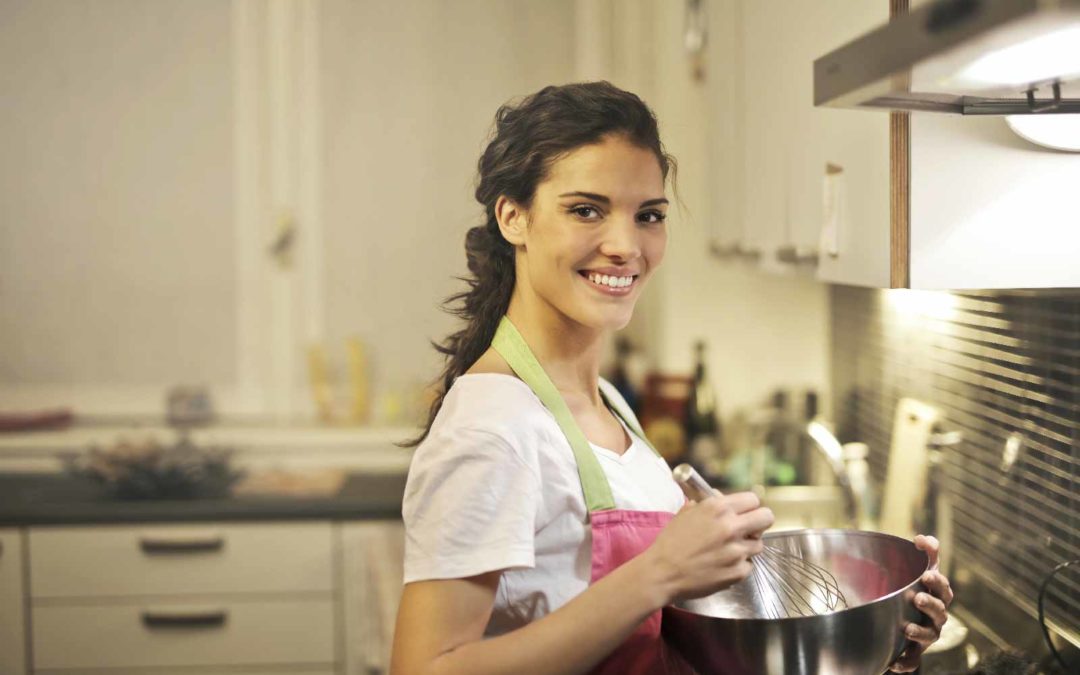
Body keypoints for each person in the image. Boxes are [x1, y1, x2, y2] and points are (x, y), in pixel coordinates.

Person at [390, 81, 952, 675]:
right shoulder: (493, 428)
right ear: (513, 217)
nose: (625, 246)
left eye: (648, 215)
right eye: (586, 210)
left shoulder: (603, 402)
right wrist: (657, 572)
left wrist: (876, 637)